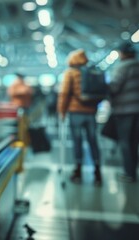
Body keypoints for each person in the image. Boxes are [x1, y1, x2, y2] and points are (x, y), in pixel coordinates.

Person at [57, 49, 102, 185]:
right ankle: (98, 172)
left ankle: (78, 172)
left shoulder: (70, 73)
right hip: (91, 112)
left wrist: (62, 111)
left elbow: (64, 93)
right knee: (93, 141)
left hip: (76, 112)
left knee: (77, 141)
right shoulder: (92, 71)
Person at [108, 42, 139, 183]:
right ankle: (133, 171)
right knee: (134, 142)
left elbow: (114, 87)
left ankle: (129, 173)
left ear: (123, 53)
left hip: (124, 111)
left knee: (125, 142)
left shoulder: (121, 68)